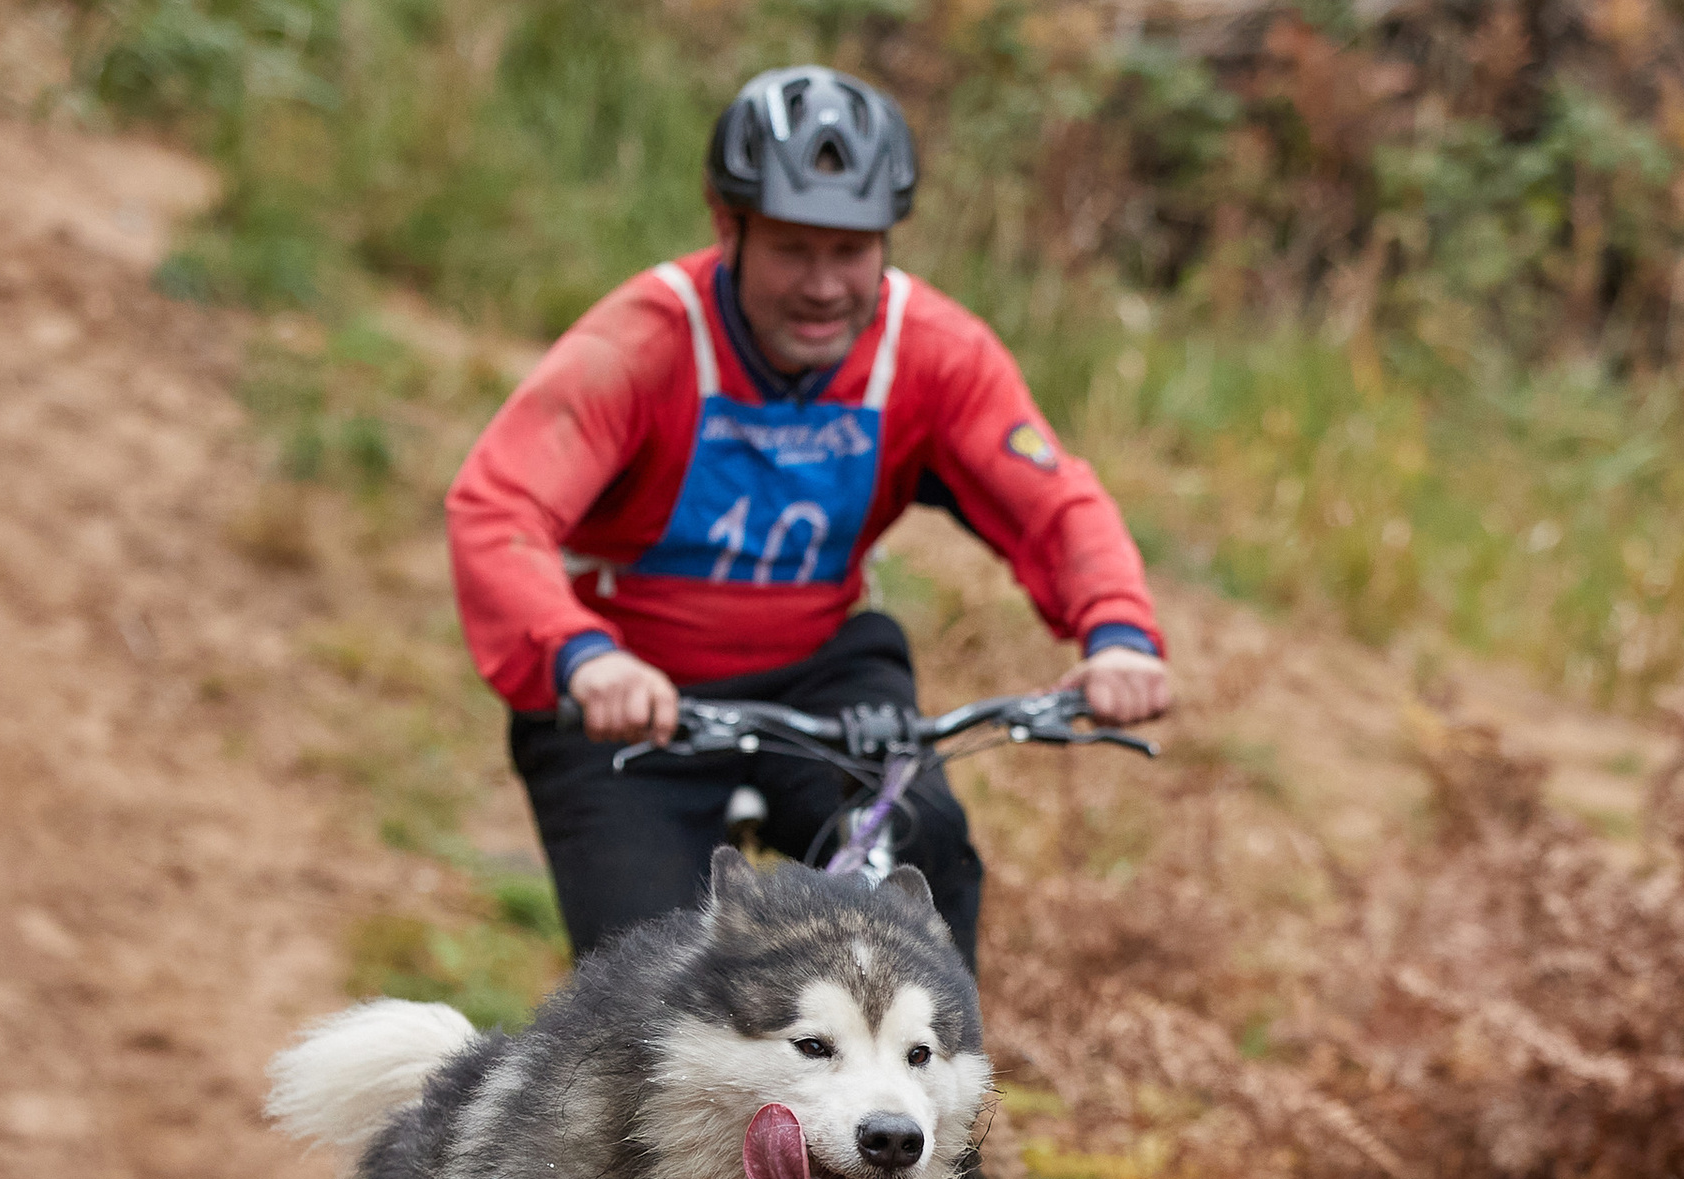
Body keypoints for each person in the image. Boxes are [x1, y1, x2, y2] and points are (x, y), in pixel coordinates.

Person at [445, 63, 1172, 971]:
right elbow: (498, 509)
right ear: (727, 227)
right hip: (629, 701)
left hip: (819, 680)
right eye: (793, 249)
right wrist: (583, 658)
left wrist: (1118, 632)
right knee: (646, 993)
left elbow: (1052, 503)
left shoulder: (933, 354)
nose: (825, 286)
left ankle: (936, 1108)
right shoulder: (638, 345)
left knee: (922, 856)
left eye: (851, 251)